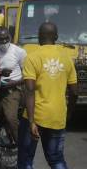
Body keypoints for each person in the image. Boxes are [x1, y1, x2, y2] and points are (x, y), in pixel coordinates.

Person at [18, 22, 78, 169]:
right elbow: (74, 91)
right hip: (57, 115)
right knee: (56, 159)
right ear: (56, 37)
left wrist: (32, 121)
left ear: (39, 37)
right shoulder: (66, 58)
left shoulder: (32, 58)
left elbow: (30, 90)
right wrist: (68, 112)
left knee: (25, 159)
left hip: (35, 116)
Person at [0, 26, 26, 142]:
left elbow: (28, 77)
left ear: (10, 37)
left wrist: (14, 83)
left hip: (13, 90)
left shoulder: (19, 52)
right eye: (1, 39)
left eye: (6, 38)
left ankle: (20, 145)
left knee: (11, 117)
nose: (4, 42)